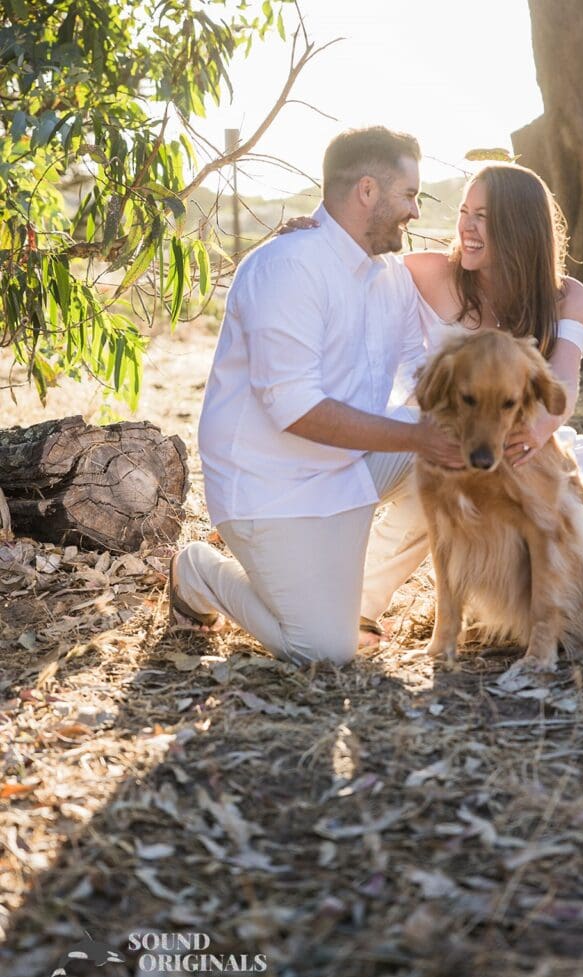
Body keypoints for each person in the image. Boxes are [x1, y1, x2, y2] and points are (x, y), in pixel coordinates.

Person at [167, 126, 463, 666]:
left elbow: (417, 374)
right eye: (409, 195)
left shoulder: (390, 277)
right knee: (321, 651)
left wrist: (475, 420)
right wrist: (420, 435)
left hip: (347, 474)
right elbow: (296, 409)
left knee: (458, 463)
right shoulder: (288, 267)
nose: (416, 212)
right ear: (367, 192)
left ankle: (360, 601)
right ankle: (198, 571)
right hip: (273, 492)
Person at [359, 162, 583, 629]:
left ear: (520, 226)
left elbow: (564, 382)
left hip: (529, 439)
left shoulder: (567, 297)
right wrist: (309, 227)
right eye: (465, 211)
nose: (466, 226)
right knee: (444, 470)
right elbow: (349, 259)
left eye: (484, 217)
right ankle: (360, 605)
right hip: (444, 437)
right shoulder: (431, 271)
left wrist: (541, 427)